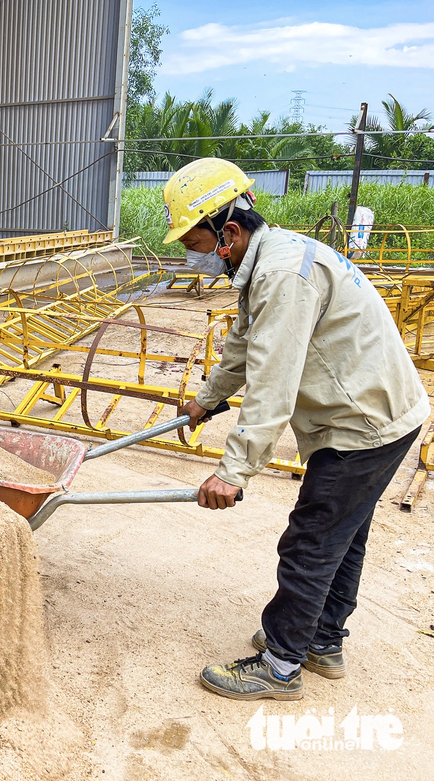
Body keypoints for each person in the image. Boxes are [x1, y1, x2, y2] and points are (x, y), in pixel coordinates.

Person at [163, 158, 429, 701]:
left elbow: (273, 386)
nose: (195, 257)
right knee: (342, 536)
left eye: (196, 244)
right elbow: (242, 344)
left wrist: (232, 472)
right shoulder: (267, 259)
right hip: (379, 412)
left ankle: (281, 665)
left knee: (310, 541)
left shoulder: (282, 277)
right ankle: (321, 643)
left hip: (363, 424)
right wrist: (204, 402)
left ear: (228, 232)